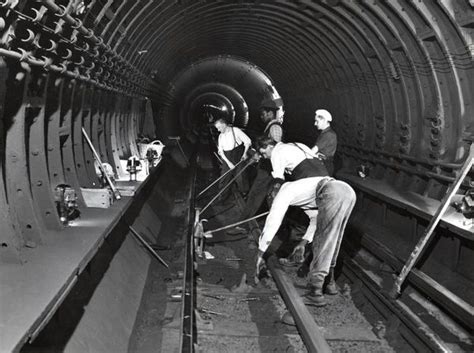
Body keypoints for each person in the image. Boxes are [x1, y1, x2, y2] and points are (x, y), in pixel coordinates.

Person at [255, 137, 356, 307]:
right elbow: (315, 220)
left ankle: (315, 292)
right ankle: (329, 284)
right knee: (334, 240)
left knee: (324, 241)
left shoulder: (286, 189)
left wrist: (260, 253)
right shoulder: (299, 146)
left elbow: (273, 220)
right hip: (346, 190)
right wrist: (302, 243)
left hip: (332, 191)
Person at [227, 100, 283, 235]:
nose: (262, 117)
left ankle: (243, 225)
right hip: (266, 167)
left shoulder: (274, 128)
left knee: (255, 195)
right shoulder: (270, 126)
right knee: (259, 196)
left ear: (270, 113)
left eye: (264, 114)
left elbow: (275, 148)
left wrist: (259, 155)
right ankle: (248, 224)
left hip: (268, 169)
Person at [214, 118, 252, 200]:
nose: (218, 130)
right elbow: (220, 151)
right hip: (227, 158)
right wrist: (228, 163)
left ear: (224, 125)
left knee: (241, 177)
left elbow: (247, 141)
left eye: (219, 127)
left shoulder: (235, 131)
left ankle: (245, 194)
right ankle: (222, 197)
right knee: (224, 178)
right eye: (217, 128)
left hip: (238, 156)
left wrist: (245, 153)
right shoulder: (220, 136)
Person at [312, 109, 337, 176]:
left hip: (324, 166)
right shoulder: (325, 133)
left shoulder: (328, 134)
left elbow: (313, 151)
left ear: (324, 120)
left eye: (317, 121)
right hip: (323, 164)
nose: (315, 124)